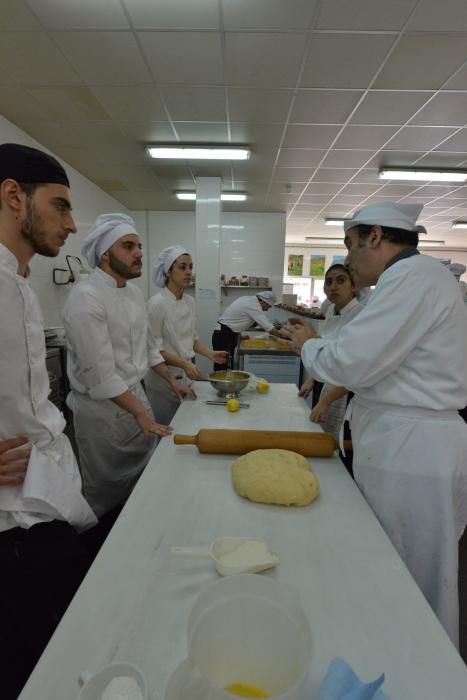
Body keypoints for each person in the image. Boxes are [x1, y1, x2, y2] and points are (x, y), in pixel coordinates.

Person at [283, 202, 467, 648]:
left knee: (412, 575)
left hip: (413, 451)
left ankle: (420, 670)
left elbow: (353, 362)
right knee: (402, 568)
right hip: (406, 443)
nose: (347, 259)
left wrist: (309, 347)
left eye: (350, 244)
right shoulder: (405, 281)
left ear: (376, 236)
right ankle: (400, 655)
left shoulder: (412, 279)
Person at [0, 143, 99, 698]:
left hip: (40, 504)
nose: (70, 223)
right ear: (14, 196)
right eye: (60, 206)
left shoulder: (16, 283)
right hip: (13, 524)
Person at [63, 214, 177, 518]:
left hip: (134, 399)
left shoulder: (135, 293)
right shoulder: (85, 297)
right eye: (128, 246)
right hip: (102, 414)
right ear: (105, 254)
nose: (139, 252)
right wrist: (141, 412)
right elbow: (100, 376)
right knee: (105, 489)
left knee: (143, 480)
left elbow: (149, 349)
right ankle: (97, 549)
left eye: (139, 246)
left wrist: (172, 381)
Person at [146, 246, 228, 424]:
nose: (189, 272)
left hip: (187, 375)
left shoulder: (189, 301)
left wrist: (210, 354)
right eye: (182, 267)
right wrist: (184, 363)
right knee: (166, 431)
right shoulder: (156, 304)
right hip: (163, 380)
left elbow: (192, 338)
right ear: (168, 271)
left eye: (191, 267)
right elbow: (154, 350)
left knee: (186, 425)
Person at [298, 264, 363, 444]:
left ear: (353, 286)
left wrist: (326, 401)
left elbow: (357, 369)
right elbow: (324, 348)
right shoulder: (330, 312)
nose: (333, 286)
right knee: (323, 439)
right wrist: (312, 379)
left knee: (340, 445)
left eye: (341, 280)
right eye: (329, 282)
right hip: (326, 383)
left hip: (348, 393)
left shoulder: (361, 315)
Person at [212, 290, 284, 370]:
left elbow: (236, 320)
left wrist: (239, 336)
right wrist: (285, 337)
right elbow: (269, 328)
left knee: (227, 364)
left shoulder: (247, 299)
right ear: (264, 302)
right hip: (223, 335)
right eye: (268, 307)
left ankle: (225, 382)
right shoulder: (254, 306)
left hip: (226, 333)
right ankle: (220, 382)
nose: (267, 310)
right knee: (222, 365)